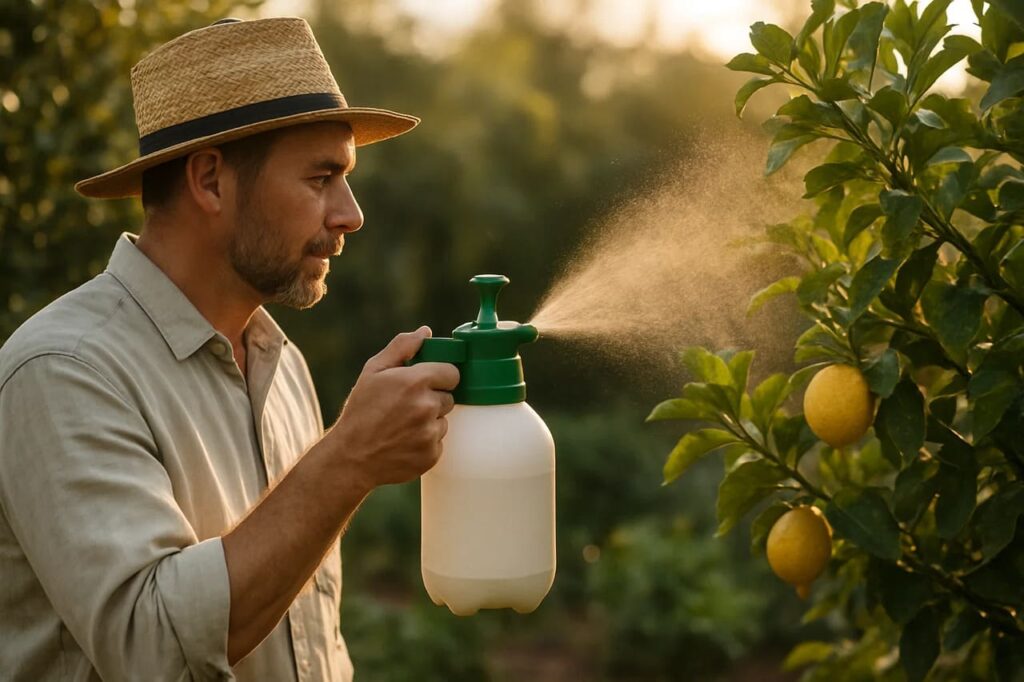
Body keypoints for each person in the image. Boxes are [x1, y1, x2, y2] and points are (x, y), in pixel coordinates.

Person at [0, 16, 458, 682]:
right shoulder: (65, 371)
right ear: (210, 181)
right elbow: (151, 647)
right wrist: (349, 459)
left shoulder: (283, 365)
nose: (350, 213)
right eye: (321, 177)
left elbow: (311, 645)